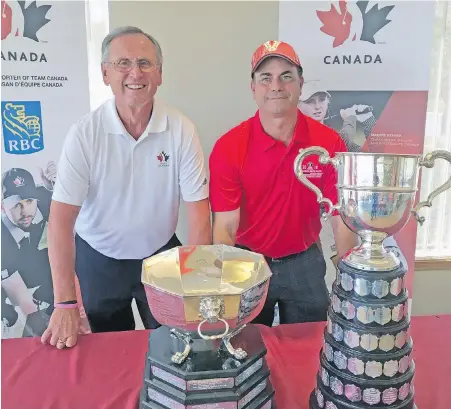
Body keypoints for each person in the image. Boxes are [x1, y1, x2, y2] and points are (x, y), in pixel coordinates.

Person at [41, 26, 211, 350]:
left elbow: (200, 217)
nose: (135, 73)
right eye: (123, 63)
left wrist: (197, 284)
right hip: (99, 261)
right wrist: (64, 304)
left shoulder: (181, 130)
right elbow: (60, 222)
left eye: (146, 63)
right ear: (105, 73)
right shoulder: (84, 134)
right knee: (107, 353)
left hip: (162, 256)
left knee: (175, 348)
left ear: (160, 74)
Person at [209, 40, 358, 326]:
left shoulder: (328, 143)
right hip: (247, 263)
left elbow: (340, 216)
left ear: (301, 84)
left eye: (286, 76)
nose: (276, 85)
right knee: (248, 350)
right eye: (266, 78)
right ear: (253, 87)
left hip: (304, 262)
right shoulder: (229, 147)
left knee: (311, 346)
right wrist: (224, 284)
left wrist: (350, 273)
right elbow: (225, 226)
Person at [1, 167, 55, 337]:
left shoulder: (45, 199)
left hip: (39, 273)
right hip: (10, 279)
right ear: (2, 207)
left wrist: (54, 185)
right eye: (16, 205)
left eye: (29, 201)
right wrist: (38, 327)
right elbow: (11, 281)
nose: (25, 211)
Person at [298, 80, 376, 152]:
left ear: (328, 101)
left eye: (322, 100)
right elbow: (339, 146)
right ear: (297, 104)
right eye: (310, 101)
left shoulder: (332, 133)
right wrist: (350, 119)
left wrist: (368, 121)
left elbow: (371, 154)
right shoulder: (297, 133)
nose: (317, 106)